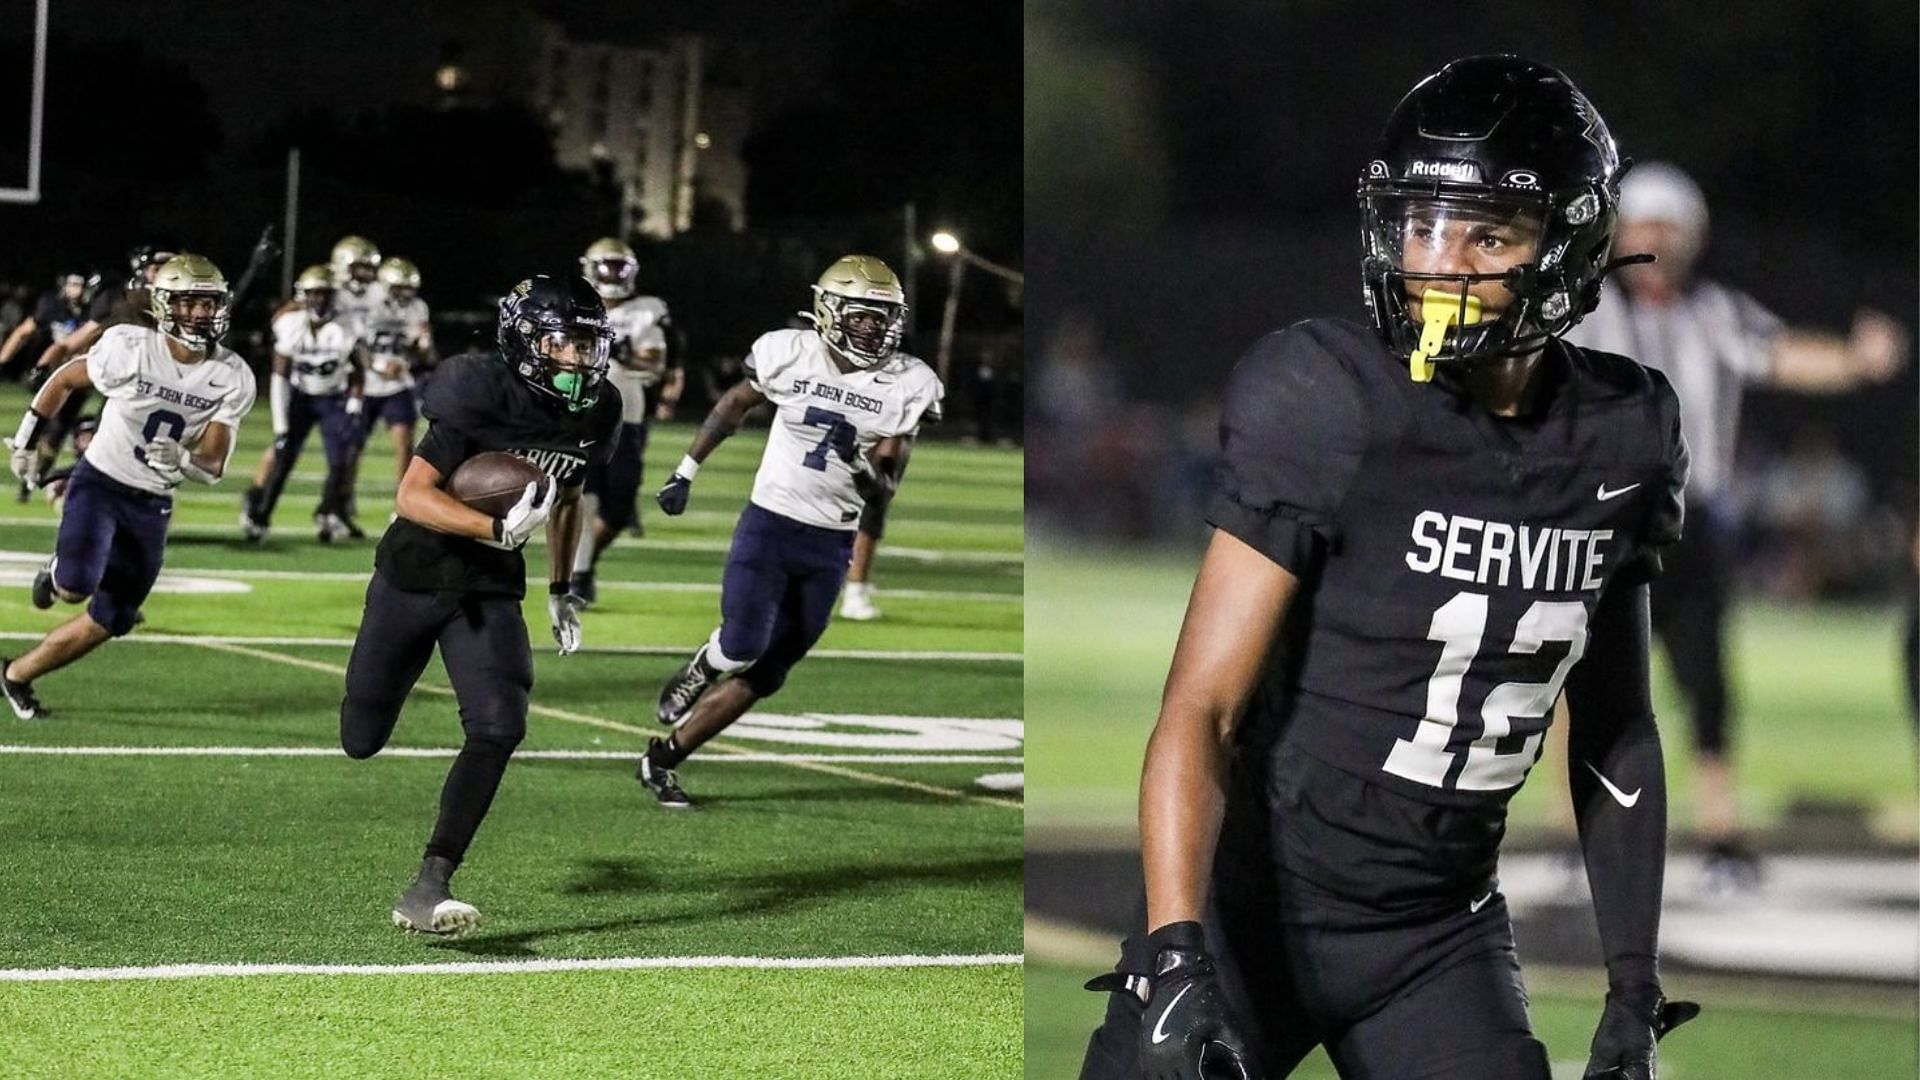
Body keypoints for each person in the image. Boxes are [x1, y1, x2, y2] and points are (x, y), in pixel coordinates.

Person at [1078, 57, 1699, 1080]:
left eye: (1486, 233)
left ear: (1570, 246)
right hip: (1249, 923)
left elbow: (1617, 725)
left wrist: (1632, 987)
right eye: (1421, 224)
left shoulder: (1624, 435)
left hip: (1435, 939)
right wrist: (1176, 954)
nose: (1437, 261)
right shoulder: (1327, 399)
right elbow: (1201, 707)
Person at [1563, 161, 1907, 894]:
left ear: (1692, 237)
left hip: (1685, 531)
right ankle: (1575, 832)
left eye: (1667, 228)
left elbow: (1783, 355)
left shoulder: (1713, 313)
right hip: (1599, 528)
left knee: (1708, 687)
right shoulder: (1586, 312)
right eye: (1643, 226)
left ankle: (1721, 836)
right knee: (1579, 681)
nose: (1654, 241)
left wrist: (1853, 360)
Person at [339, 273, 620, 934]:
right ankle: (375, 709)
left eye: (587, 345)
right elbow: (413, 495)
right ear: (524, 341)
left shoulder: (595, 408)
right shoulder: (478, 389)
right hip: (415, 575)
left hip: (490, 587)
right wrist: (492, 528)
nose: (579, 359)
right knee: (361, 735)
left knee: (500, 725)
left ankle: (431, 882)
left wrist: (560, 586)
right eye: (563, 344)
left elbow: (568, 496)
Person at [641, 255, 943, 808]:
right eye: (862, 316)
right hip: (771, 522)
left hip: (831, 543)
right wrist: (686, 470)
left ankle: (663, 758)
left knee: (772, 670)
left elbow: (886, 487)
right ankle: (700, 669)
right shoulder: (790, 351)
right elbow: (736, 403)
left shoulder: (909, 383)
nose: (874, 327)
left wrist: (862, 467)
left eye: (883, 317)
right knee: (743, 643)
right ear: (829, 312)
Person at [0, 254, 255, 719]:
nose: (201, 314)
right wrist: (27, 440)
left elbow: (213, 466)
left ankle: (16, 673)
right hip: (101, 480)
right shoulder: (130, 347)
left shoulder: (232, 375)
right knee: (75, 587)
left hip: (153, 501)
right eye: (189, 302)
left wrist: (184, 458)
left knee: (113, 618)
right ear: (163, 305)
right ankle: (59, 566)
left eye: (209, 303)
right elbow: (63, 380)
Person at [567, 238, 678, 606]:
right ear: (589, 267)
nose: (613, 275)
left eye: (620, 267)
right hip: (580, 411)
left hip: (628, 414)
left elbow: (655, 361)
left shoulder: (646, 310)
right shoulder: (573, 304)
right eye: (607, 267)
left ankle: (584, 562)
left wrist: (625, 354)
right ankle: (578, 575)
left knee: (619, 504)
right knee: (585, 495)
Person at [242, 265, 365, 542]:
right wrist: (281, 426)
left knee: (341, 458)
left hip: (333, 397)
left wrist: (354, 406)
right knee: (284, 457)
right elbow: (279, 378)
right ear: (303, 295)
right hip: (300, 396)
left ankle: (327, 511)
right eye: (314, 293)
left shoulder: (346, 327)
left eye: (325, 293)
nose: (320, 300)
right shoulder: (290, 323)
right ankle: (261, 515)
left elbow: (358, 371)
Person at [355, 256, 436, 512]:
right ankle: (343, 501)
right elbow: (355, 345)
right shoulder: (368, 303)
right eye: (399, 287)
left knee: (404, 443)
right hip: (364, 384)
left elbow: (422, 354)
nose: (405, 293)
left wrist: (419, 351)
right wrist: (379, 366)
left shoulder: (417, 308)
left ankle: (404, 503)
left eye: (408, 287)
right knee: (351, 447)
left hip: (397, 385)